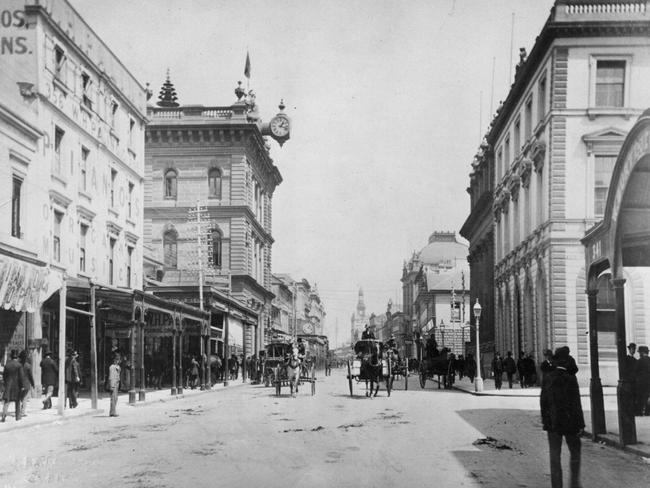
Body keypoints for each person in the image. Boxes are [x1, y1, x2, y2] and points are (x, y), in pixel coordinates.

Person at [541, 346, 583, 488]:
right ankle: (574, 484)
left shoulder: (548, 379)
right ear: (566, 362)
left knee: (555, 457)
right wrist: (581, 425)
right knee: (575, 453)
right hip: (570, 423)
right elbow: (577, 404)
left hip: (553, 423)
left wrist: (546, 422)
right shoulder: (571, 379)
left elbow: (543, 403)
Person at [1, 350, 23, 422]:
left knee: (7, 401)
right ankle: (17, 416)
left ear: (11, 357)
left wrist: (6, 383)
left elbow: (4, 376)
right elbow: (21, 377)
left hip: (8, 385)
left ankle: (4, 415)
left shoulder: (7, 365)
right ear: (17, 357)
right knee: (17, 402)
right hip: (16, 386)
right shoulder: (19, 365)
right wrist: (21, 385)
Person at [634, 345, 650, 416]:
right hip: (649, 382)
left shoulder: (640, 361)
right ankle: (648, 412)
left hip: (641, 382)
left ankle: (639, 412)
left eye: (639, 352)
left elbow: (635, 371)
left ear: (642, 352)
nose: (639, 354)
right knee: (648, 397)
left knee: (640, 397)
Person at [19, 350, 34, 418]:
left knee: (19, 398)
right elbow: (30, 376)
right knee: (24, 398)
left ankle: (18, 410)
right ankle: (23, 411)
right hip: (26, 384)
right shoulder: (28, 366)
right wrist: (33, 384)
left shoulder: (17, 364)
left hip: (19, 384)